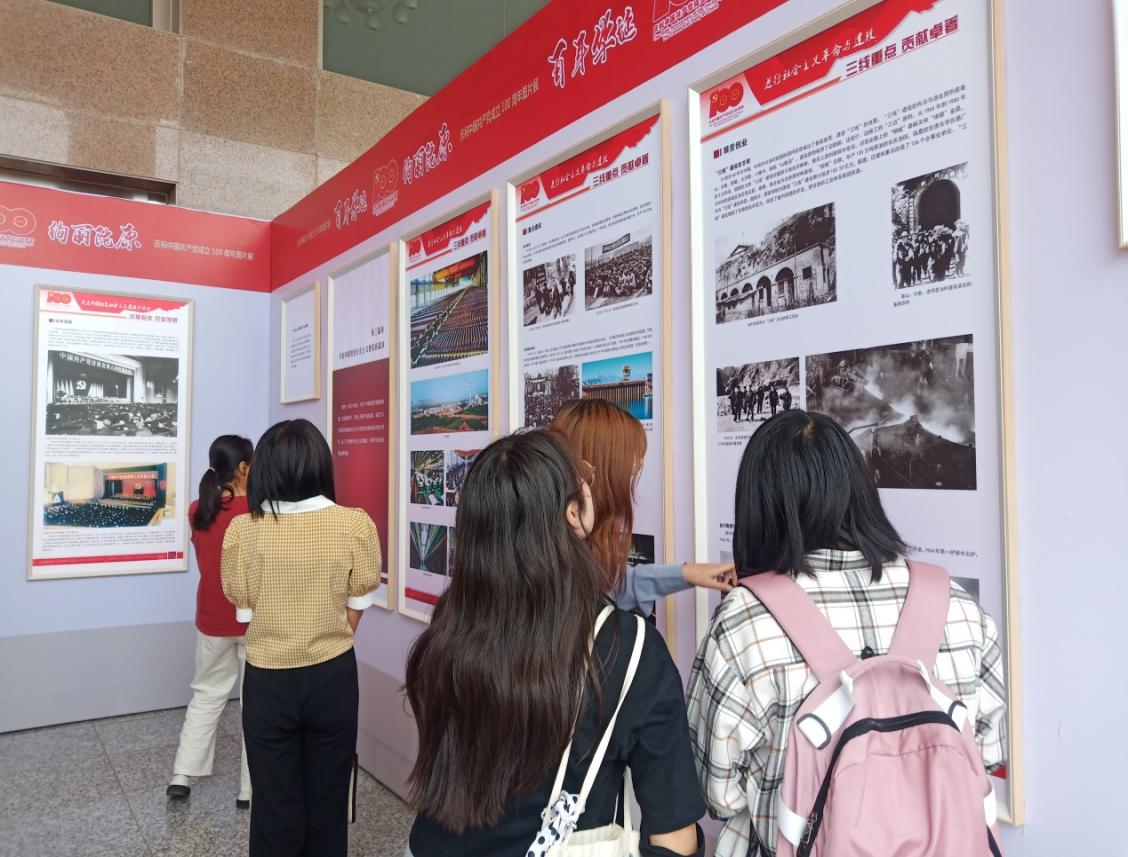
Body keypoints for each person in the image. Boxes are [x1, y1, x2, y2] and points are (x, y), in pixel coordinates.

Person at [685, 411, 1007, 856]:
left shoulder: (745, 618)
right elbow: (987, 752)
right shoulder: (952, 600)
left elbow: (716, 790)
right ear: (860, 489)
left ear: (759, 505)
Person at [404, 430, 705, 856]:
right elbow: (675, 838)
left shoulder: (451, 625)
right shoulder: (630, 648)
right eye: (583, 476)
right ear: (572, 514)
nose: (591, 480)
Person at [221, 418, 382, 857]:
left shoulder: (244, 531)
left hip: (268, 680)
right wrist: (324, 639)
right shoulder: (354, 525)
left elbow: (246, 614)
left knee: (274, 804)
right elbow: (357, 605)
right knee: (329, 802)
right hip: (333, 676)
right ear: (320, 464)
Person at [550, 398, 735, 615]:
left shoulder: (564, 546)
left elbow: (612, 583)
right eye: (628, 458)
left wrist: (686, 573)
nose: (636, 467)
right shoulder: (554, 574)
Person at [167, 435, 254, 807]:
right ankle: (249, 790)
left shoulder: (196, 509)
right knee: (256, 706)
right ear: (244, 467)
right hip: (254, 621)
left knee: (205, 695)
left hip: (211, 617)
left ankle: (182, 775)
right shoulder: (260, 511)